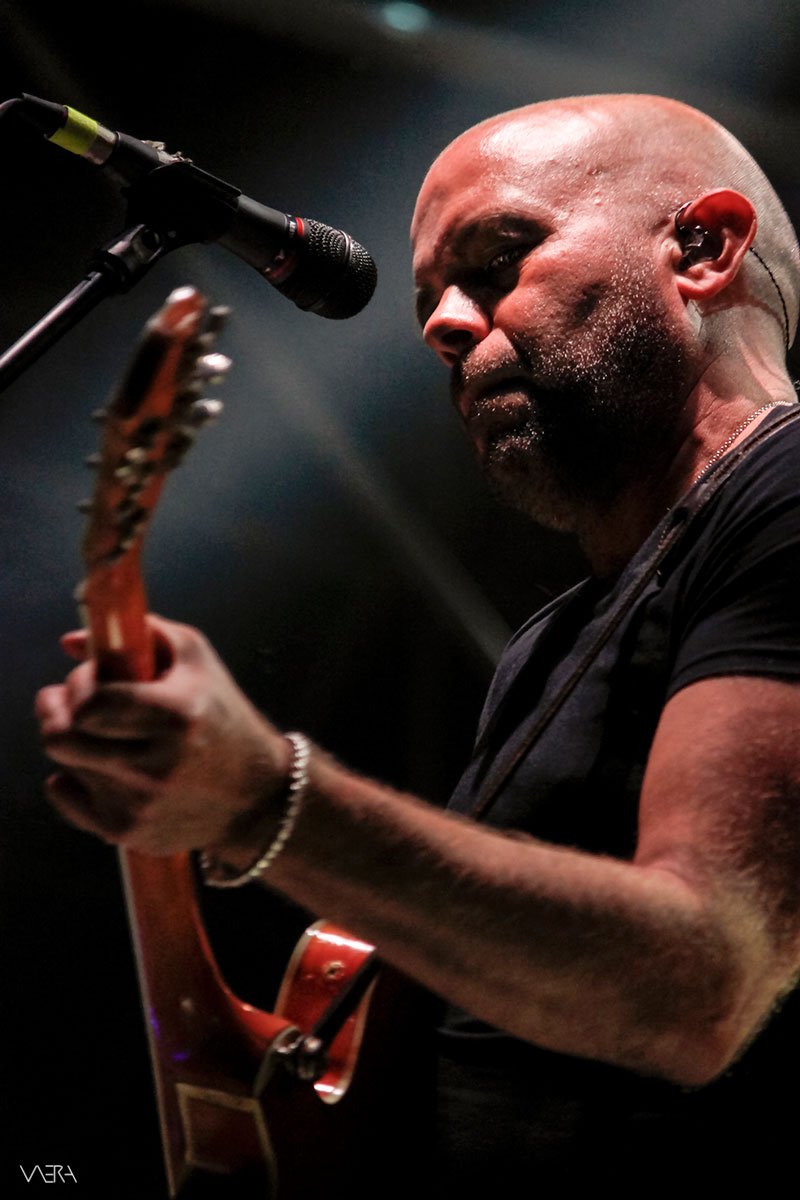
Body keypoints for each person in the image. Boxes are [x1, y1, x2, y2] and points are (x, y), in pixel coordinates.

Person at [36, 94, 800, 1190]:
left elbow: (698, 990)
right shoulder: (550, 644)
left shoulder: (782, 496)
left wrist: (266, 798)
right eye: (430, 297)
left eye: (497, 260)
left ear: (703, 246)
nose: (442, 324)